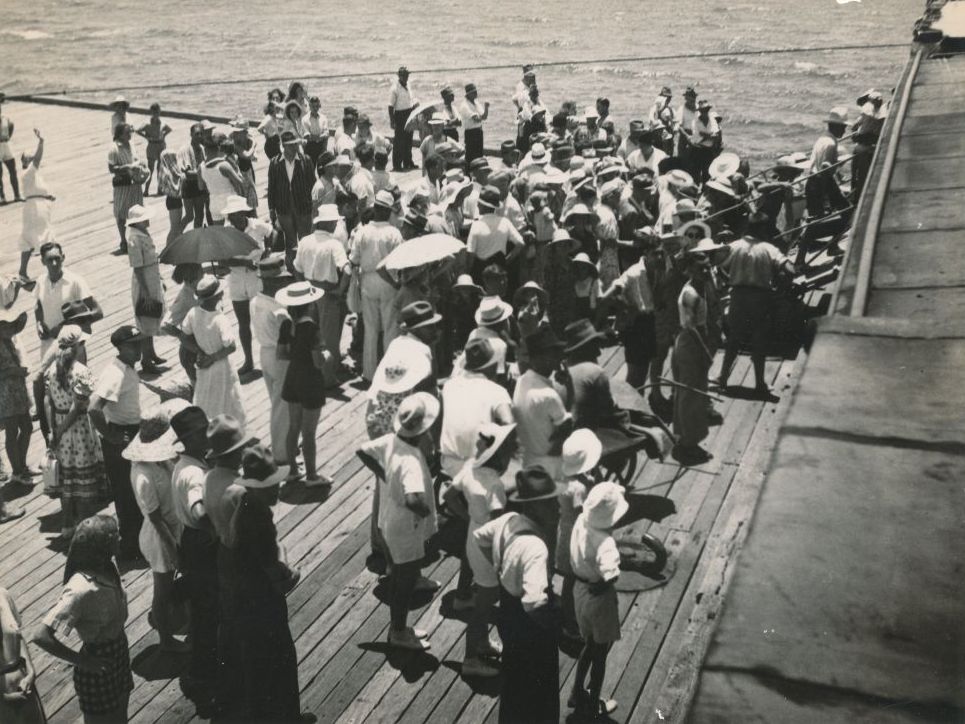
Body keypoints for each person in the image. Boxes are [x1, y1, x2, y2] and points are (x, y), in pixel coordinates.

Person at [224, 447, 310, 722]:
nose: (276, 490)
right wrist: (292, 574)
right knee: (281, 659)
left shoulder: (245, 504)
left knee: (256, 666)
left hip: (243, 600)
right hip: (261, 602)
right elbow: (277, 575)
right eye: (271, 485)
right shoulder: (259, 518)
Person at [474, 465, 561, 724]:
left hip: (508, 616)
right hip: (530, 627)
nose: (557, 507)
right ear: (534, 506)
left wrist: (501, 569)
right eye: (551, 502)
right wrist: (556, 627)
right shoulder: (535, 548)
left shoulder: (508, 521)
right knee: (540, 694)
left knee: (514, 686)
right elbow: (534, 603)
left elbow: (481, 537)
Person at [357, 392, 439, 651]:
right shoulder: (412, 461)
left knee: (401, 573)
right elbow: (414, 499)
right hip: (405, 527)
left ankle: (400, 627)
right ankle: (399, 631)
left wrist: (383, 474)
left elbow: (362, 450)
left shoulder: (392, 441)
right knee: (403, 582)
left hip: (388, 519)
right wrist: (430, 514)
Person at [33, 515, 133, 724]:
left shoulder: (109, 565)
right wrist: (84, 661)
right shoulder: (80, 589)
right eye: (115, 535)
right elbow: (41, 635)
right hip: (97, 666)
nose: (121, 537)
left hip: (119, 652)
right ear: (103, 545)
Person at [444, 422, 517, 678]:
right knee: (485, 603)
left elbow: (449, 498)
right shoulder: (495, 485)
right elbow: (499, 525)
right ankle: (470, 659)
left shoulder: (469, 468)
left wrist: (469, 518)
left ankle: (482, 643)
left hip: (472, 536)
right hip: (487, 545)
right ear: (499, 457)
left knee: (483, 597)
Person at [123, 404, 190, 653]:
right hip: (160, 537)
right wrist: (175, 550)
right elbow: (155, 519)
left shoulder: (163, 461)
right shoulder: (142, 475)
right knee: (162, 590)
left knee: (178, 583)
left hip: (177, 525)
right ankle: (166, 640)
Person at [167, 405, 218, 716]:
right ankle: (204, 677)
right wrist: (219, 521)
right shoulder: (194, 473)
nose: (208, 436)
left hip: (189, 542)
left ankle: (200, 672)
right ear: (190, 438)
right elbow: (199, 513)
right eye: (203, 433)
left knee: (202, 612)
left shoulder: (183, 465)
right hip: (202, 545)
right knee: (209, 613)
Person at [717, 214, 795, 397]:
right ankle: (760, 383)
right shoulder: (768, 248)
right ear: (762, 229)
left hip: (737, 296)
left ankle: (722, 378)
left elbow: (717, 263)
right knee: (760, 341)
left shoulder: (734, 246)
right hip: (761, 298)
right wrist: (783, 282)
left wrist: (727, 279)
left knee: (733, 339)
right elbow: (789, 269)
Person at [88, 325, 147, 561]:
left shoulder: (128, 368)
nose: (139, 348)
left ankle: (138, 541)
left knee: (136, 489)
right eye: (133, 345)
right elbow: (93, 408)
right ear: (121, 348)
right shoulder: (116, 373)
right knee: (126, 493)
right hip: (120, 437)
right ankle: (132, 546)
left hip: (131, 431)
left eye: (140, 343)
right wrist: (111, 436)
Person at [569, 481, 626, 719]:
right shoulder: (606, 543)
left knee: (589, 644)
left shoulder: (581, 522)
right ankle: (593, 703)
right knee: (600, 652)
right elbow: (611, 575)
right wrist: (602, 582)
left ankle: (576, 691)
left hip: (578, 590)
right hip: (598, 598)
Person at [45, 325, 108, 539]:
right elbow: (79, 406)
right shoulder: (81, 371)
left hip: (60, 427)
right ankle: (83, 528)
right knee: (83, 483)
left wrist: (53, 431)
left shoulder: (52, 370)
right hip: (79, 428)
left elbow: (49, 403)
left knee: (67, 480)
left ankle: (66, 525)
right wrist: (63, 428)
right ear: (78, 346)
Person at [276, 281, 331, 486]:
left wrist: (298, 354)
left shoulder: (286, 325)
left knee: (293, 427)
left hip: (293, 378)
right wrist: (327, 355)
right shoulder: (312, 329)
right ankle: (312, 475)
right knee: (309, 432)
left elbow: (281, 354)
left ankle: (292, 470)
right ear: (310, 305)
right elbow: (318, 362)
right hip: (310, 381)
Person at [294, 204, 351, 387]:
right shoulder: (334, 244)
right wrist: (340, 290)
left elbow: (296, 267)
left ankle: (313, 371)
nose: (335, 225)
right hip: (327, 293)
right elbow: (348, 270)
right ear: (328, 223)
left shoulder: (304, 241)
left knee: (312, 334)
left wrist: (303, 284)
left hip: (309, 291)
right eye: (334, 222)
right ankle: (328, 376)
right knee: (329, 336)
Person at [350, 189, 404, 382]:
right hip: (388, 280)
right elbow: (400, 261)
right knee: (390, 327)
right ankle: (390, 373)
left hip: (367, 280)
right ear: (389, 211)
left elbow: (354, 259)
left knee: (370, 328)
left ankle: (369, 373)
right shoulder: (394, 233)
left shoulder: (362, 232)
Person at [439, 338, 514, 476]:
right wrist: (503, 460)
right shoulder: (497, 391)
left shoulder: (449, 386)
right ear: (491, 365)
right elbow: (507, 422)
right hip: (480, 466)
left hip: (449, 464)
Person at [554, 429, 602, 642]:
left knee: (570, 579)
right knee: (574, 581)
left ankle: (570, 616)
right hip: (576, 538)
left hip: (564, 532)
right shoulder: (579, 488)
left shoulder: (564, 479)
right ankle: (570, 625)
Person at [178, 276, 246, 425]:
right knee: (227, 399)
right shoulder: (220, 319)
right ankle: (231, 430)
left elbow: (184, 337)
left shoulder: (193, 313)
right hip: (221, 366)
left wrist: (199, 351)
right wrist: (213, 357)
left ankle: (210, 429)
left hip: (203, 365)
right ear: (218, 296)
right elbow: (231, 346)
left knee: (207, 398)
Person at [673, 254, 716, 464]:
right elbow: (690, 327)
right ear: (690, 269)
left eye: (708, 268)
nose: (707, 272)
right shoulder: (690, 293)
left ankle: (686, 438)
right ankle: (687, 445)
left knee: (694, 393)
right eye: (701, 269)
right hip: (691, 344)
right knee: (689, 395)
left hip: (697, 340)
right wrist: (705, 352)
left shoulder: (701, 286)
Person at [223, 196, 273, 378]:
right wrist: (245, 262)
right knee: (243, 323)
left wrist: (268, 251)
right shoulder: (226, 232)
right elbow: (223, 260)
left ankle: (269, 357)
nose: (233, 218)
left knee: (262, 318)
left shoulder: (257, 225)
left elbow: (273, 232)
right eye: (231, 215)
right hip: (236, 280)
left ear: (243, 212)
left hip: (255, 279)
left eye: (236, 214)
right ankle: (249, 360)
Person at [513, 327, 571, 479]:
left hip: (528, 460)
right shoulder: (549, 396)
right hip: (553, 467)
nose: (558, 357)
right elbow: (566, 430)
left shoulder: (521, 381)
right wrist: (568, 385)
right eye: (553, 353)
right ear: (539, 358)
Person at [251, 257, 294, 465]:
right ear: (273, 282)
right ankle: (282, 455)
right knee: (282, 408)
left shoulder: (255, 301)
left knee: (276, 401)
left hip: (264, 353)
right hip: (280, 357)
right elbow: (289, 338)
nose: (284, 283)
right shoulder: (279, 311)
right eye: (281, 280)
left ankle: (288, 443)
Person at [125, 205, 166, 374]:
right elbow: (137, 268)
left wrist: (160, 279)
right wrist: (146, 292)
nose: (147, 220)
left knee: (152, 317)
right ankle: (146, 360)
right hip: (144, 282)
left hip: (152, 276)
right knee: (146, 318)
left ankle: (152, 353)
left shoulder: (143, 234)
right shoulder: (134, 239)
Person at [267, 131, 315, 270]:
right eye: (290, 146)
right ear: (283, 146)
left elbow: (313, 184)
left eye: (295, 144)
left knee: (306, 238)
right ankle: (292, 267)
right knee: (290, 240)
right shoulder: (275, 163)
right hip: (283, 207)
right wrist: (271, 209)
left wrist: (313, 206)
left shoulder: (306, 160)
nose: (294, 148)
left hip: (303, 206)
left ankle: (307, 266)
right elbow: (272, 188)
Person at [0, 587, 46, 723]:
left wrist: (31, 672)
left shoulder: (2, 594)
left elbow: (17, 635)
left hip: (23, 682)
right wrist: (3, 698)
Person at [0, 308, 34, 489]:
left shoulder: (9, 341)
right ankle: (17, 471)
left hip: (18, 390)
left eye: (10, 325)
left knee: (27, 427)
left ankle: (21, 465)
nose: (8, 328)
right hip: (5, 394)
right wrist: (13, 371)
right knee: (12, 432)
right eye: (4, 325)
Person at [17, 128, 55, 283]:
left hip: (40, 207)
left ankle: (23, 271)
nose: (32, 159)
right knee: (40, 238)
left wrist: (47, 196)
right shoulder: (27, 173)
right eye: (28, 158)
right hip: (34, 209)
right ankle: (51, 269)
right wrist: (41, 141)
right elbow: (38, 159)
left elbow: (38, 190)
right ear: (24, 162)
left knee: (33, 239)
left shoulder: (35, 175)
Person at [466, 186, 525, 280]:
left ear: (482, 206)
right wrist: (506, 261)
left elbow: (471, 254)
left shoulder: (476, 225)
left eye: (478, 204)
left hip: (481, 273)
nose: (477, 206)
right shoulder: (505, 222)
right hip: (499, 271)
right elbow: (521, 244)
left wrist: (467, 273)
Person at [108, 123, 147, 254]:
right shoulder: (114, 149)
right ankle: (123, 240)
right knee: (120, 213)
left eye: (130, 132)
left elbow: (136, 159)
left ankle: (137, 239)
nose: (130, 134)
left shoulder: (131, 145)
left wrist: (140, 165)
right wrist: (128, 167)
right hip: (123, 184)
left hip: (135, 184)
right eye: (127, 133)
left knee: (137, 212)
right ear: (119, 134)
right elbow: (112, 169)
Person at [805, 106, 850, 219]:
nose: (844, 131)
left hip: (812, 181)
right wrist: (826, 198)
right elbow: (825, 167)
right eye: (843, 127)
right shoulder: (831, 143)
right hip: (820, 182)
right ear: (836, 126)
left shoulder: (822, 138)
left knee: (816, 215)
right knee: (844, 208)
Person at [851, 89, 886, 202]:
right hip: (871, 148)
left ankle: (856, 200)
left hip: (862, 148)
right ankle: (859, 198)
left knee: (858, 177)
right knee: (863, 177)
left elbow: (854, 127)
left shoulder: (865, 113)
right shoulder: (882, 116)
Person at [135, 103, 172, 196]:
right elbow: (137, 130)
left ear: (160, 112)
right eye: (154, 112)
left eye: (157, 111)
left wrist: (164, 135)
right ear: (151, 112)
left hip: (161, 145)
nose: (156, 113)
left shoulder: (162, 122)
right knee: (150, 169)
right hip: (152, 146)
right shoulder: (147, 123)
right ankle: (146, 190)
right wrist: (146, 137)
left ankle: (159, 189)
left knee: (160, 169)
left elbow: (169, 129)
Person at [178, 123, 206, 230]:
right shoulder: (186, 149)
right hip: (189, 185)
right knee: (189, 216)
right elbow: (188, 174)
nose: (199, 136)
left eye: (201, 134)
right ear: (191, 134)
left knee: (200, 215)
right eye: (196, 134)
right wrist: (204, 172)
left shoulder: (202, 148)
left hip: (199, 184)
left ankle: (197, 237)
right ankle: (177, 235)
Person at [388, 66, 416, 171]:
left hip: (409, 112)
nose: (406, 77)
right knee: (399, 141)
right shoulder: (394, 88)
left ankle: (408, 162)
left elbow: (411, 99)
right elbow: (390, 106)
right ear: (399, 76)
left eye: (407, 75)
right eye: (404, 75)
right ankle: (397, 165)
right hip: (399, 115)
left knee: (409, 139)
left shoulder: (408, 85)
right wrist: (392, 120)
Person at [459, 83, 490, 166]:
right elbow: (476, 119)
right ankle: (469, 174)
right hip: (471, 133)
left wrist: (486, 108)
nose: (476, 94)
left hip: (479, 131)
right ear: (468, 94)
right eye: (473, 92)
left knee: (479, 155)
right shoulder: (464, 106)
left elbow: (484, 117)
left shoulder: (476, 102)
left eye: (476, 91)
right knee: (470, 156)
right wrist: (483, 114)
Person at [691, 100, 722, 183]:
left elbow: (716, 136)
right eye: (703, 110)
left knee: (708, 173)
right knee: (696, 173)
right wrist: (709, 136)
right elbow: (696, 138)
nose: (705, 112)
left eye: (707, 110)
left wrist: (704, 135)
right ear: (700, 111)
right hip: (697, 150)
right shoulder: (695, 122)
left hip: (709, 151)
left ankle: (705, 190)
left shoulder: (712, 120)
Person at [0, 93, 22, 203]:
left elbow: (11, 125)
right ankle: (2, 197)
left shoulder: (5, 118)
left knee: (13, 170)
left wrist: (8, 137)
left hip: (6, 144)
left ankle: (17, 195)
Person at [303, 95, 329, 166]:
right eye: (313, 106)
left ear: (319, 105)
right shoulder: (305, 119)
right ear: (309, 106)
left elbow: (326, 133)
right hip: (310, 148)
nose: (315, 108)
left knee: (322, 171)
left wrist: (319, 137)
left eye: (317, 106)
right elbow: (307, 136)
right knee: (310, 171)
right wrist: (321, 137)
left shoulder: (323, 118)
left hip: (321, 147)